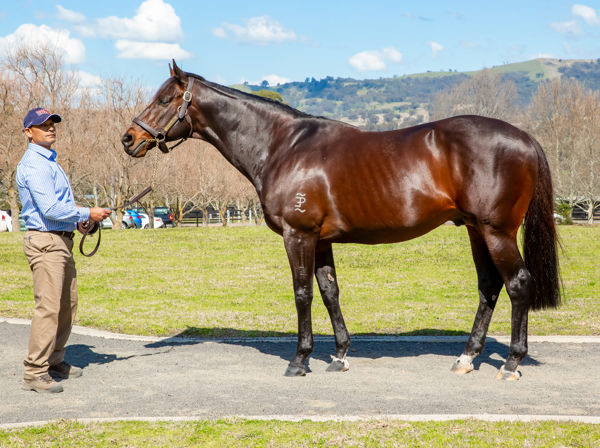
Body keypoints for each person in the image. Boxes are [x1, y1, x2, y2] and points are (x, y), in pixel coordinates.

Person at [16, 108, 111, 393]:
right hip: (46, 243)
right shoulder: (34, 164)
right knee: (48, 308)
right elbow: (50, 209)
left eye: (52, 123)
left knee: (67, 305)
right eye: (42, 125)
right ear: (28, 132)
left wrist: (81, 222)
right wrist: (87, 212)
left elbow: (59, 210)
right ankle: (35, 371)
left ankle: (55, 360)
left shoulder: (50, 161)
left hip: (60, 240)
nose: (50, 128)